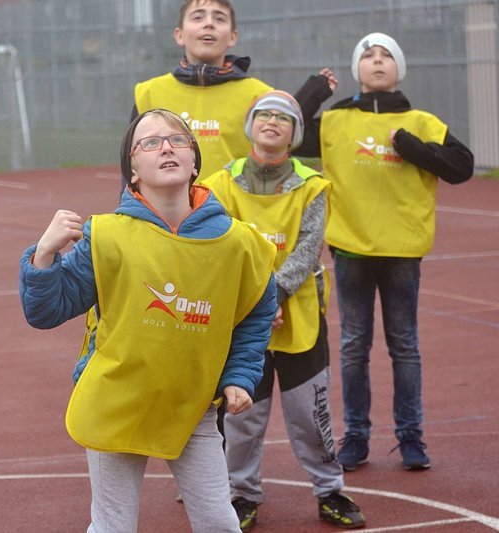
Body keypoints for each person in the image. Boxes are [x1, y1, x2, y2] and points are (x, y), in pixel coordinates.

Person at [20, 108, 278, 532]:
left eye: (178, 140)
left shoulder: (238, 244)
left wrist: (238, 377)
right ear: (132, 171)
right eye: (150, 142)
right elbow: (46, 311)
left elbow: (255, 315)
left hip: (190, 405)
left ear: (194, 162)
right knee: (113, 526)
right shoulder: (107, 236)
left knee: (219, 522)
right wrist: (44, 255)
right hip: (117, 404)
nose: (166, 148)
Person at [293, 33, 474, 471]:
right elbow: (287, 134)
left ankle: (411, 436)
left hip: (402, 250)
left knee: (405, 346)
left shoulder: (422, 122)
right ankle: (356, 436)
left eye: (386, 56)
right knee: (354, 347)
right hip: (351, 249)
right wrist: (315, 91)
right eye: (368, 56)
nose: (377, 61)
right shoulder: (336, 121)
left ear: (398, 69)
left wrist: (411, 147)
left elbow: (462, 167)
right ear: (357, 69)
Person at [199, 91, 365, 530]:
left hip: (299, 319)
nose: (273, 122)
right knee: (243, 416)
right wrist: (254, 304)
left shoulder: (312, 186)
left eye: (284, 118)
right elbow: (219, 249)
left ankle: (330, 489)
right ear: (250, 125)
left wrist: (269, 297)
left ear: (295, 134)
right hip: (243, 318)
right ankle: (242, 494)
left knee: (311, 415)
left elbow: (308, 251)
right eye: (264, 115)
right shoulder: (220, 183)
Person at [131, 0, 336, 182]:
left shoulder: (259, 95)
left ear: (232, 37)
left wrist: (313, 93)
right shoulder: (148, 93)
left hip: (233, 221)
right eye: (198, 17)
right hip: (163, 221)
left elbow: (286, 142)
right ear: (179, 35)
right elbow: (131, 167)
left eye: (219, 19)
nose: (209, 23)